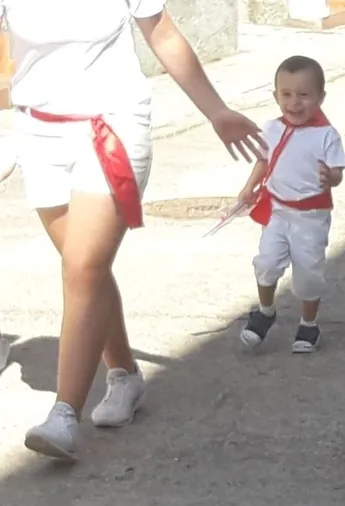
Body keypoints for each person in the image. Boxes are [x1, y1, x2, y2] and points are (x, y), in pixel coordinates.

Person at [1, 0, 266, 460]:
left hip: (113, 126)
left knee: (83, 267)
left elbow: (162, 33)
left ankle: (64, 414)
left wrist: (216, 111)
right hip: (38, 133)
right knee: (87, 271)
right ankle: (125, 373)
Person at [238, 55, 345, 354]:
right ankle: (265, 311)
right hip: (277, 211)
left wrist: (331, 177)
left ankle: (309, 325)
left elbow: (337, 173)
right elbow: (264, 161)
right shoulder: (271, 129)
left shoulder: (326, 134)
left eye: (303, 95)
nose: (294, 103)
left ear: (320, 97)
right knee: (266, 263)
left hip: (311, 217)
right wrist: (249, 187)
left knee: (309, 273)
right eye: (286, 94)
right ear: (275, 96)